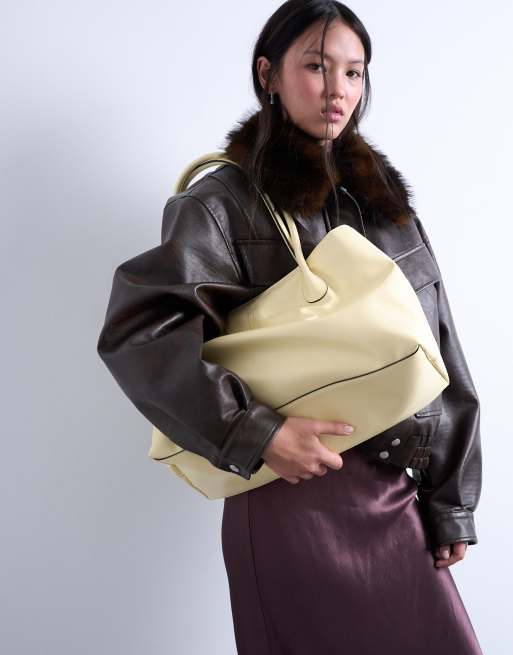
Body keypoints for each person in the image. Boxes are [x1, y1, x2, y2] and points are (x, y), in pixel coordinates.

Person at [97, 2, 483, 653]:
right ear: (268, 74)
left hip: (395, 491)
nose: (338, 90)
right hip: (287, 494)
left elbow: (438, 342)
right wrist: (259, 433)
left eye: (353, 72)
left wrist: (449, 497)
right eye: (315, 66)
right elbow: (142, 330)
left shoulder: (383, 204)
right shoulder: (225, 200)